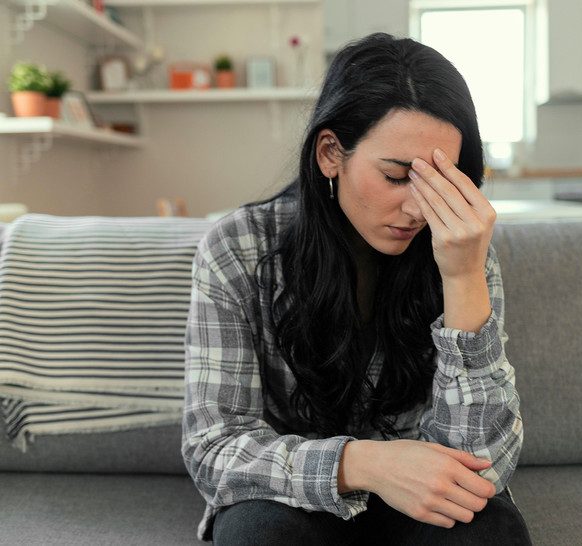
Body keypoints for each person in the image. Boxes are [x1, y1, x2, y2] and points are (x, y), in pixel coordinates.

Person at [182, 32, 531, 545]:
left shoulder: (461, 249)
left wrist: (461, 278)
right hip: (294, 498)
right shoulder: (240, 248)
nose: (418, 209)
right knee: (261, 533)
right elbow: (214, 447)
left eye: (441, 182)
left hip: (421, 503)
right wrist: (366, 463)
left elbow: (483, 466)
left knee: (490, 529)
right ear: (330, 153)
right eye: (397, 176)